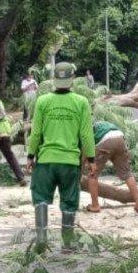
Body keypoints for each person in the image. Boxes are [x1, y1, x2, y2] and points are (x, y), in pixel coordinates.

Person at [27, 62, 96, 252]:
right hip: (69, 162)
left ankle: (41, 238)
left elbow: (36, 133)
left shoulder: (43, 101)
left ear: (54, 80)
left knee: (40, 197)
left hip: (46, 161)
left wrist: (30, 156)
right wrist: (91, 159)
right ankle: (67, 243)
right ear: (72, 79)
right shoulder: (81, 102)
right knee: (69, 200)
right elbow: (86, 135)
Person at [86, 120, 138, 214]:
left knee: (93, 174)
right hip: (120, 138)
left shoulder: (86, 129)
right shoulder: (101, 124)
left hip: (105, 141)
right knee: (127, 173)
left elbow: (87, 149)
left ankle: (95, 205)